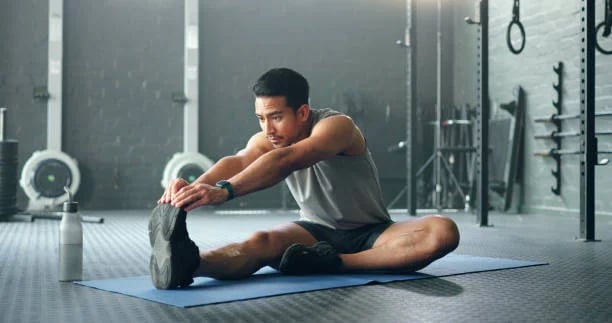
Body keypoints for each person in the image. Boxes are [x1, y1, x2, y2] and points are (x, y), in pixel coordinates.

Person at [149, 67, 460, 289]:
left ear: (302, 112)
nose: (268, 129)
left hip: (372, 233)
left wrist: (224, 191)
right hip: (313, 232)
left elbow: (288, 160)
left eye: (276, 117)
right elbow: (239, 160)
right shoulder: (268, 139)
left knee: (443, 231)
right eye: (261, 118)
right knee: (261, 242)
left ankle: (336, 262)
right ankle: (188, 264)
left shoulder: (338, 127)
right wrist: (190, 187)